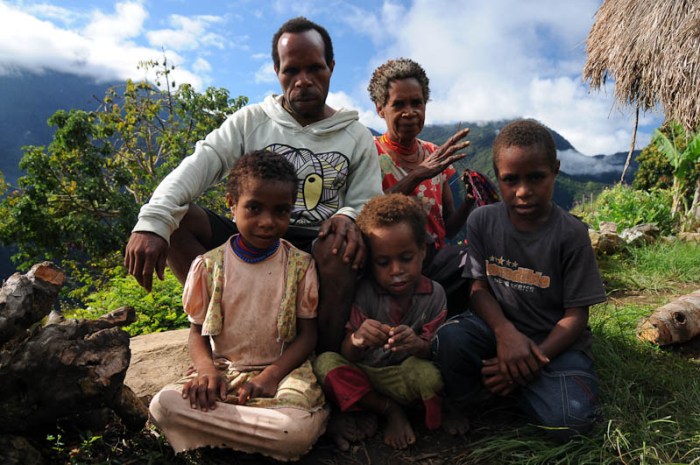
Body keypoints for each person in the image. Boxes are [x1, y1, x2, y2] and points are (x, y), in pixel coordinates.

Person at [123, 16, 382, 354]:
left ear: (331, 67)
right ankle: (224, 329)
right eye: (291, 71)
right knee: (178, 218)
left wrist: (348, 215)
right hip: (253, 236)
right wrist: (153, 222)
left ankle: (324, 356)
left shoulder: (356, 136)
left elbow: (368, 199)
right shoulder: (251, 122)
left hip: (315, 245)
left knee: (340, 245)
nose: (303, 81)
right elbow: (201, 164)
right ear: (277, 72)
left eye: (314, 68)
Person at [431, 119, 607, 441]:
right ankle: (493, 392)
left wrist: (529, 363)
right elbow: (478, 288)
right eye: (510, 180)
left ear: (555, 169)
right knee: (449, 341)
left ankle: (505, 386)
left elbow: (576, 316)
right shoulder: (483, 220)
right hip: (497, 329)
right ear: (497, 177)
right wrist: (504, 332)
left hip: (553, 344)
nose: (523, 192)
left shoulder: (571, 233)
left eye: (536, 177)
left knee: (572, 419)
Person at [149, 151, 328, 461]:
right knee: (163, 405)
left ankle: (221, 433)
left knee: (293, 428)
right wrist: (206, 369)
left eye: (281, 211)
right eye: (254, 208)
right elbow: (197, 332)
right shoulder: (209, 266)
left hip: (283, 372)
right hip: (225, 370)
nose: (267, 222)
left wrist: (271, 375)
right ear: (231, 203)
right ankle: (257, 435)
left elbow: (307, 336)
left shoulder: (300, 266)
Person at [314, 193, 447, 450]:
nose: (396, 270)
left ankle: (441, 415)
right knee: (325, 364)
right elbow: (348, 354)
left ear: (422, 251)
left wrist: (416, 345)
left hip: (403, 375)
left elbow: (433, 351)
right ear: (369, 261)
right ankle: (389, 410)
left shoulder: (434, 295)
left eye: (406, 258)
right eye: (383, 262)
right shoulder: (363, 293)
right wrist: (357, 339)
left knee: (428, 376)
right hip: (367, 376)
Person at [367, 58, 496, 305]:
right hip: (387, 267)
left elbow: (446, 228)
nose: (410, 112)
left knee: (487, 258)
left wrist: (469, 201)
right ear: (380, 108)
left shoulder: (434, 154)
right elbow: (366, 215)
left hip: (434, 263)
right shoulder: (370, 152)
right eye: (398, 104)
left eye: (417, 102)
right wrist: (418, 174)